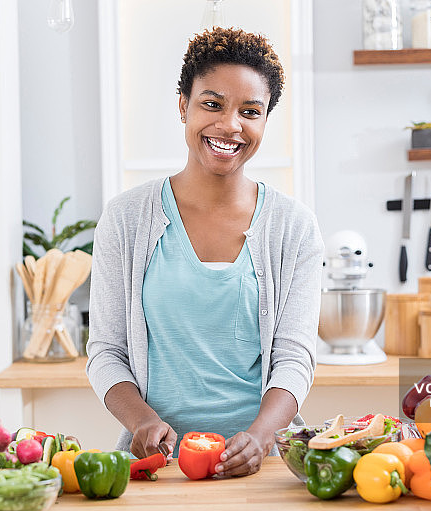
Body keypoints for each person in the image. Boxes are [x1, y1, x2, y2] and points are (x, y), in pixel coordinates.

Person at [87, 27, 323, 477]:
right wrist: (143, 422)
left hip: (264, 464)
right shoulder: (125, 218)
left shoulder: (294, 226)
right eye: (212, 104)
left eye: (250, 111)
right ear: (184, 106)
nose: (230, 125)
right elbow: (105, 351)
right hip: (155, 465)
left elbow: (294, 357)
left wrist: (260, 437)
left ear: (265, 121)